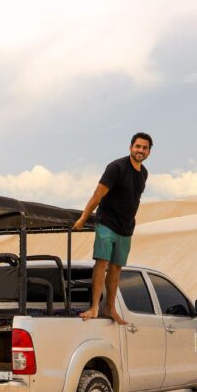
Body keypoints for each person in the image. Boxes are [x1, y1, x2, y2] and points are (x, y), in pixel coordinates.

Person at [72, 132, 153, 324]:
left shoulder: (144, 173)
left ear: (149, 151)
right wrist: (83, 218)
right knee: (102, 263)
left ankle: (110, 308)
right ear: (130, 147)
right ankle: (94, 307)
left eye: (144, 148)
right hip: (107, 223)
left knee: (116, 268)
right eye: (137, 146)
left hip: (126, 228)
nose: (140, 150)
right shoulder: (116, 167)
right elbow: (97, 195)